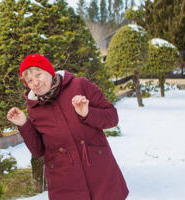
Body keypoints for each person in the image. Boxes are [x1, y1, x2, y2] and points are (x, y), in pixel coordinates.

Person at [7, 54, 128, 200]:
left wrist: (87, 113)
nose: (35, 83)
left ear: (49, 72)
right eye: (29, 80)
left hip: (100, 174)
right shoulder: (34, 108)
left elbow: (112, 118)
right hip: (64, 182)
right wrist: (24, 124)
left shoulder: (80, 85)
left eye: (38, 75)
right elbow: (38, 150)